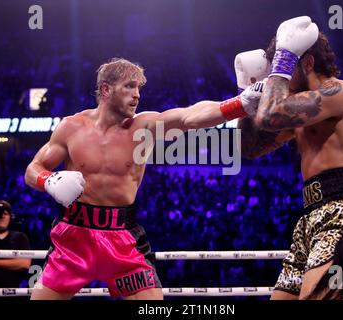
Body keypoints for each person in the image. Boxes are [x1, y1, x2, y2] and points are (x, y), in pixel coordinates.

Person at [24, 57, 268, 300]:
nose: (137, 95)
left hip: (123, 238)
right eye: (129, 86)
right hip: (73, 239)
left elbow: (188, 117)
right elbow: (33, 169)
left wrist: (239, 104)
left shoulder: (144, 126)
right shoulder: (71, 127)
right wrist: (49, 180)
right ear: (106, 89)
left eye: (139, 88)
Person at [239, 16, 343, 299]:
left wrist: (281, 64)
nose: (278, 79)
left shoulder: (341, 94)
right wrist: (244, 97)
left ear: (306, 62)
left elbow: (271, 114)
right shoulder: (300, 112)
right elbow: (250, 148)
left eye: (284, 68)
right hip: (310, 221)